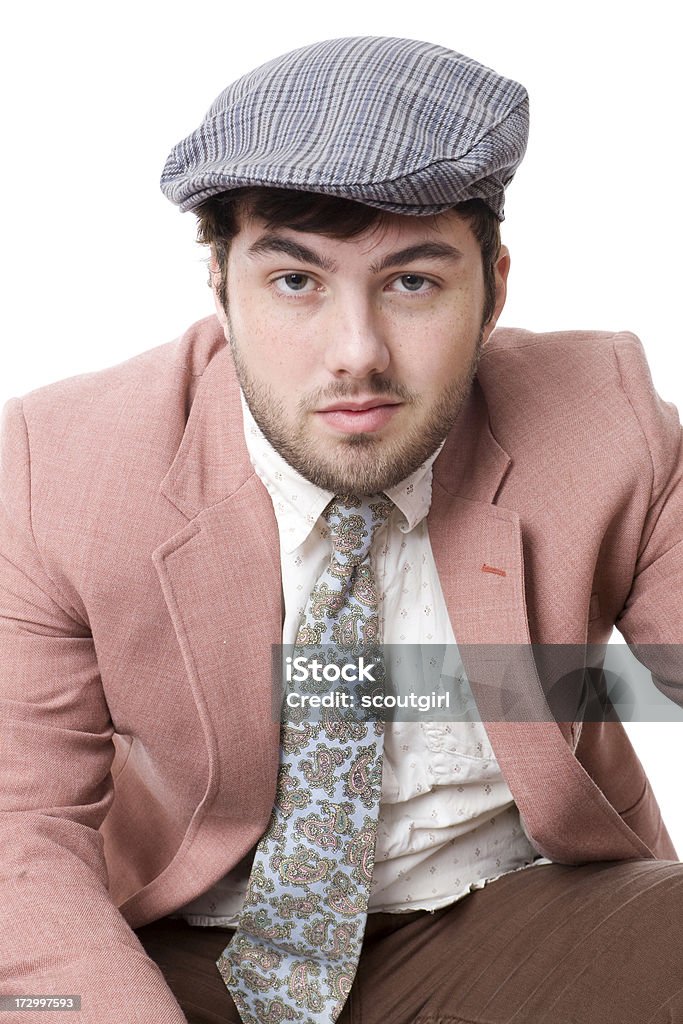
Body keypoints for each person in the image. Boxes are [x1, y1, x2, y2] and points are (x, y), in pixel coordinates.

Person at [1, 34, 682, 1024]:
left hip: (505, 924)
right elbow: (21, 837)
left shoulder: (600, 417)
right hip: (189, 943)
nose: (355, 355)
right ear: (219, 286)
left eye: (411, 281)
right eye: (294, 282)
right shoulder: (58, 465)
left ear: (493, 285)